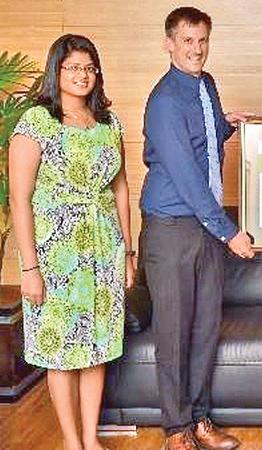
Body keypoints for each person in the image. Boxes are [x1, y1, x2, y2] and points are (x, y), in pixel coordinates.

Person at [9, 34, 134, 450]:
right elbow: (19, 199)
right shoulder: (36, 122)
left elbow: (120, 190)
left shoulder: (109, 123)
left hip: (103, 250)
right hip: (55, 254)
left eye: (89, 67)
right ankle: (70, 441)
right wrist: (29, 267)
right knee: (60, 348)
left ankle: (91, 438)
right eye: (73, 67)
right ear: (56, 72)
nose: (82, 75)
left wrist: (127, 254)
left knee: (97, 345)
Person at [140, 7, 255, 450]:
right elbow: (187, 175)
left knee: (206, 326)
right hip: (171, 225)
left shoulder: (207, 85)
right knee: (174, 331)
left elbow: (201, 142)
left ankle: (201, 419)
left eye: (202, 39)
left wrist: (228, 127)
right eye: (187, 41)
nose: (196, 49)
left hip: (204, 224)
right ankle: (176, 430)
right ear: (169, 43)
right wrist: (230, 231)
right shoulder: (164, 100)